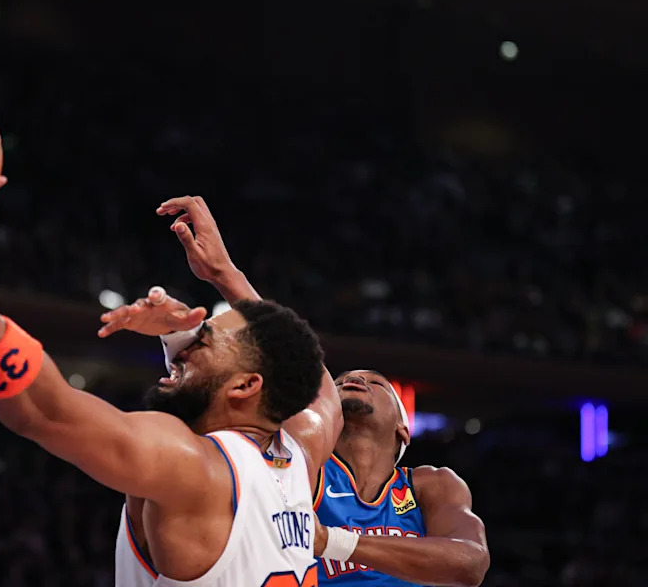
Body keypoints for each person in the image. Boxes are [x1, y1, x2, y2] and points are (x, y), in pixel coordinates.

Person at [0, 127, 340, 587]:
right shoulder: (300, 451)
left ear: (246, 386)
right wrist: (224, 276)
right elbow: (321, 389)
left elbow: (41, 409)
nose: (183, 342)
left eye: (203, 338)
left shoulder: (196, 467)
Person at [100, 196, 489, 587]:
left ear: (403, 431)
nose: (353, 379)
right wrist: (222, 278)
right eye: (344, 380)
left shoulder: (428, 485)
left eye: (375, 382)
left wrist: (330, 541)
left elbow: (468, 564)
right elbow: (269, 377)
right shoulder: (298, 461)